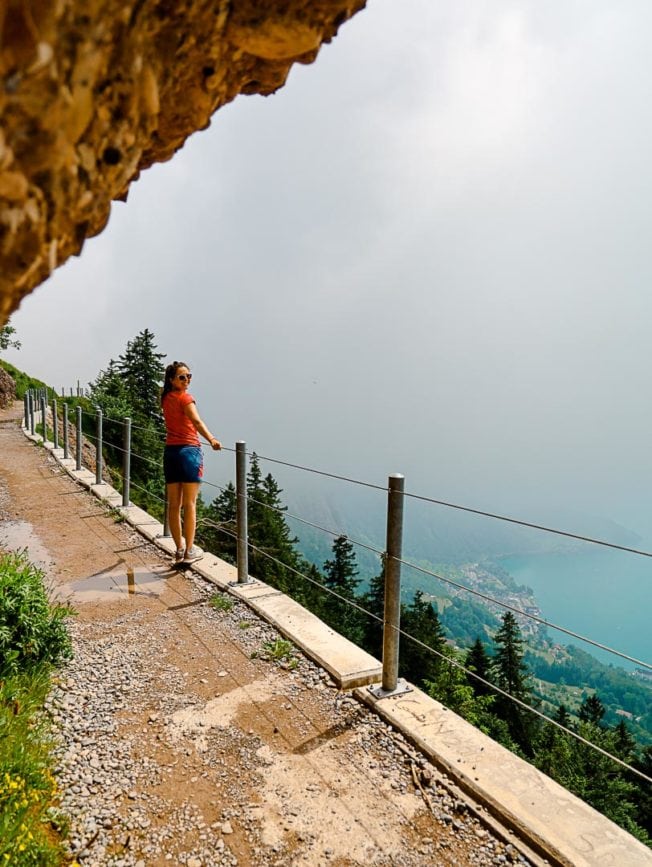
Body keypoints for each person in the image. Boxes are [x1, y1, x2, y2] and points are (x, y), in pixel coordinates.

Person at [161, 361, 222, 564]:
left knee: (173, 505)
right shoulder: (185, 398)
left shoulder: (166, 398)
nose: (186, 380)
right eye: (182, 377)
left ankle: (178, 549)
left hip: (170, 453)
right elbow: (196, 422)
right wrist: (212, 439)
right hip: (189, 453)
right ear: (172, 380)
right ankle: (189, 551)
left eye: (189, 376)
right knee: (189, 504)